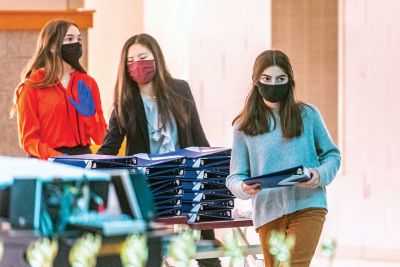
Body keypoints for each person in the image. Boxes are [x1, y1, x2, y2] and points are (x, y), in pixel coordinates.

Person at [97, 33, 221, 267]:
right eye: (130, 60)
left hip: (186, 178)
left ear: (156, 57)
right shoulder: (125, 101)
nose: (137, 65)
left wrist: (215, 173)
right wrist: (88, 167)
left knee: (206, 249)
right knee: (149, 252)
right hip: (149, 183)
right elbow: (109, 146)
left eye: (143, 57)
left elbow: (199, 136)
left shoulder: (180, 90)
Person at [226, 50, 341, 267]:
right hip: (267, 211)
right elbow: (234, 177)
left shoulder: (308, 115)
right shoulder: (243, 127)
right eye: (266, 79)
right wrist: (243, 187)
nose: (273, 84)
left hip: (308, 205)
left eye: (281, 79)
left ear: (290, 81)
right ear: (256, 82)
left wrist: (319, 175)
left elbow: (332, 155)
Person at [11, 19, 107, 160]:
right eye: (69, 39)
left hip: (83, 160)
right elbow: (28, 140)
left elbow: (102, 138)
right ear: (51, 46)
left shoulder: (88, 83)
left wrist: (90, 117)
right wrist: (58, 157)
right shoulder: (31, 86)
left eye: (79, 39)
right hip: (46, 162)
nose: (77, 43)